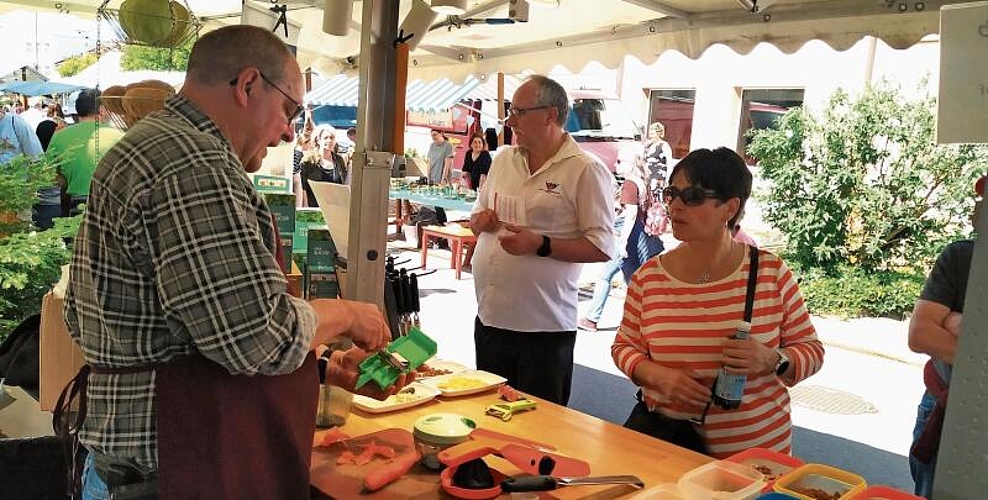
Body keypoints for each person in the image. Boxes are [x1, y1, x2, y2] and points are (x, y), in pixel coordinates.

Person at [64, 25, 409, 499]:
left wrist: (322, 365)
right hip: (179, 468)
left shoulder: (157, 144)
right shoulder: (193, 163)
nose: (289, 129)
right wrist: (347, 314)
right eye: (289, 109)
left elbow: (193, 325)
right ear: (248, 86)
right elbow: (256, 337)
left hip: (152, 460)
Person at [611, 147, 824, 458]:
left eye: (693, 196)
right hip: (668, 450)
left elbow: (812, 351)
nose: (676, 205)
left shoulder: (769, 272)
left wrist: (773, 360)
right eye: (673, 193)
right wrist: (658, 377)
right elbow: (623, 348)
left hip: (754, 459)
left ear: (730, 207)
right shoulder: (649, 278)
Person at [470, 75, 615, 405]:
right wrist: (481, 221)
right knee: (489, 419)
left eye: (518, 112)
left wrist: (541, 244)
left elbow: (603, 247)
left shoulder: (585, 170)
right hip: (490, 319)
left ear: (550, 115)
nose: (510, 120)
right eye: (510, 111)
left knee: (539, 432)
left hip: (543, 330)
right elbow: (477, 216)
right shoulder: (504, 158)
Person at [906, 175, 983, 498]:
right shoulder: (963, 257)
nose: (976, 208)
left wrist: (960, 324)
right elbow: (920, 334)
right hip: (945, 409)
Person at [579, 159, 665, 332]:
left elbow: (630, 216)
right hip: (638, 237)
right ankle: (641, 320)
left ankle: (591, 318)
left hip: (625, 238)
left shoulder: (630, 184)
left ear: (629, 162)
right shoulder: (642, 182)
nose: (616, 164)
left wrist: (623, 243)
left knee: (605, 277)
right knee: (632, 282)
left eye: (620, 161)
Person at [47, 88, 124, 216]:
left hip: (76, 203)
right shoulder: (120, 136)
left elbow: (49, 176)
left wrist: (70, 177)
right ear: (102, 110)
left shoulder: (60, 136)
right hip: (112, 203)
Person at [299, 124, 348, 208]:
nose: (329, 141)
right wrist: (306, 207)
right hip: (314, 207)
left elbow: (343, 185)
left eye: (332, 137)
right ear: (318, 140)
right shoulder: (308, 160)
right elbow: (303, 188)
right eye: (326, 138)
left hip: (335, 207)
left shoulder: (339, 160)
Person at [640, 121, 672, 192]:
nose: (651, 135)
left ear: (659, 133)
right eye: (650, 132)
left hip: (658, 178)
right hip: (647, 177)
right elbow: (642, 158)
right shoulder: (648, 145)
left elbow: (669, 163)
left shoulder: (664, 145)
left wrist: (668, 180)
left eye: (653, 133)